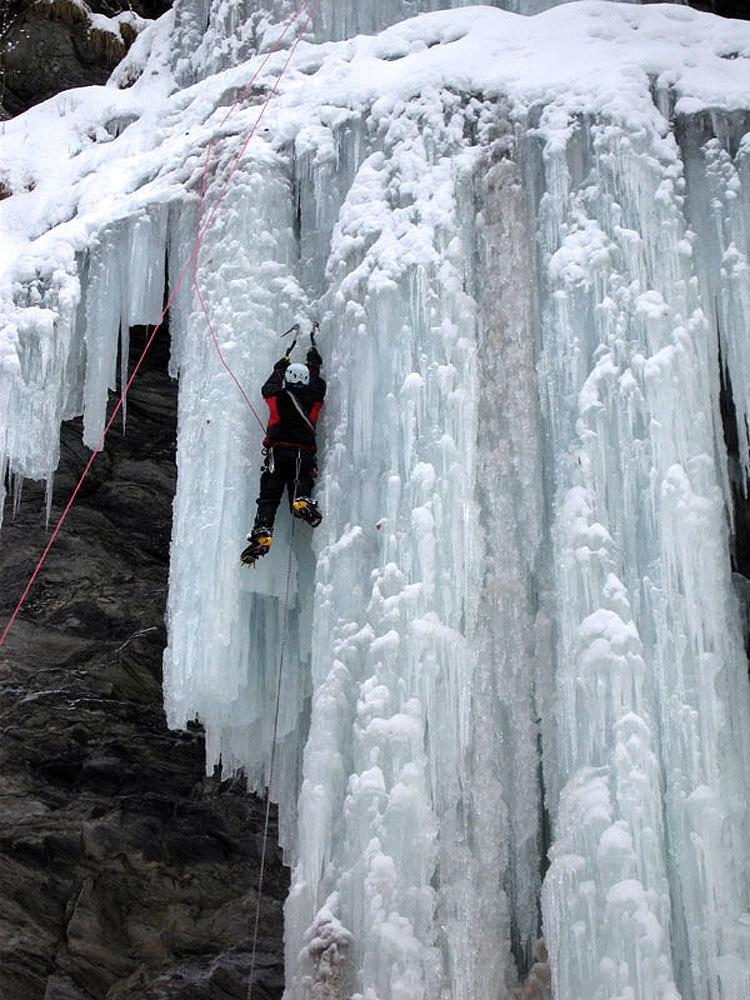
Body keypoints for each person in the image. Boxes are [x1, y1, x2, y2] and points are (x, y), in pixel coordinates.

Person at [241, 337, 326, 565]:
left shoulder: (278, 397)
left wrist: (280, 367)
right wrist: (313, 364)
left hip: (276, 455)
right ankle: (300, 500)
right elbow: (319, 386)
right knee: (300, 481)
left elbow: (267, 388)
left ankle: (263, 530)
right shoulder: (313, 400)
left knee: (268, 498)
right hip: (302, 453)